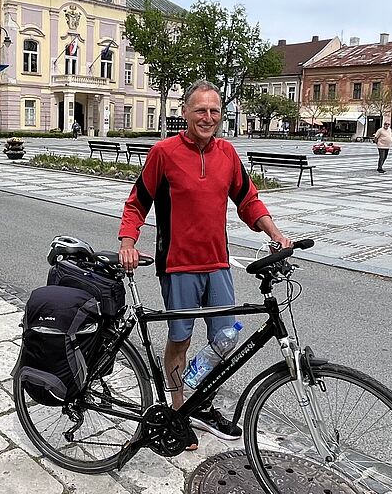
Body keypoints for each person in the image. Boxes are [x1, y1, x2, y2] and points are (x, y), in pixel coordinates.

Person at [118, 79, 292, 449]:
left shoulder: (227, 154)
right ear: (185, 112)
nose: (208, 117)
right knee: (180, 339)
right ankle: (179, 408)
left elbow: (248, 200)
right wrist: (128, 241)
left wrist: (274, 232)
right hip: (178, 265)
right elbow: (138, 203)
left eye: (215, 111)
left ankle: (202, 402)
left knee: (226, 339)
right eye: (201, 110)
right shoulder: (164, 153)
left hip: (217, 264)